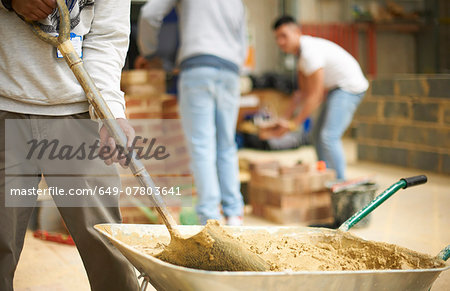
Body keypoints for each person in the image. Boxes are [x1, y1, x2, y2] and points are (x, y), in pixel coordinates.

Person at [0, 0, 139, 290]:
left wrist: (109, 112)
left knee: (108, 247)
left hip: (78, 114)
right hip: (4, 103)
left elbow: (106, 37)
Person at [137, 0, 247, 225]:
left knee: (202, 145)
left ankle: (210, 216)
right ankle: (234, 214)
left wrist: (148, 52)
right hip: (231, 71)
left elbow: (149, 13)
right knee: (226, 143)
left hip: (198, 67)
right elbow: (243, 41)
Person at [270, 15, 369, 180]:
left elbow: (314, 96)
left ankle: (339, 184)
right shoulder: (300, 56)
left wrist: (293, 124)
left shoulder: (309, 52)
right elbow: (301, 93)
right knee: (316, 135)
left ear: (296, 32)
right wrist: (284, 119)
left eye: (284, 36)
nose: (280, 42)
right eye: (277, 38)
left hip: (349, 88)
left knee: (329, 136)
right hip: (336, 89)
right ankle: (326, 176)